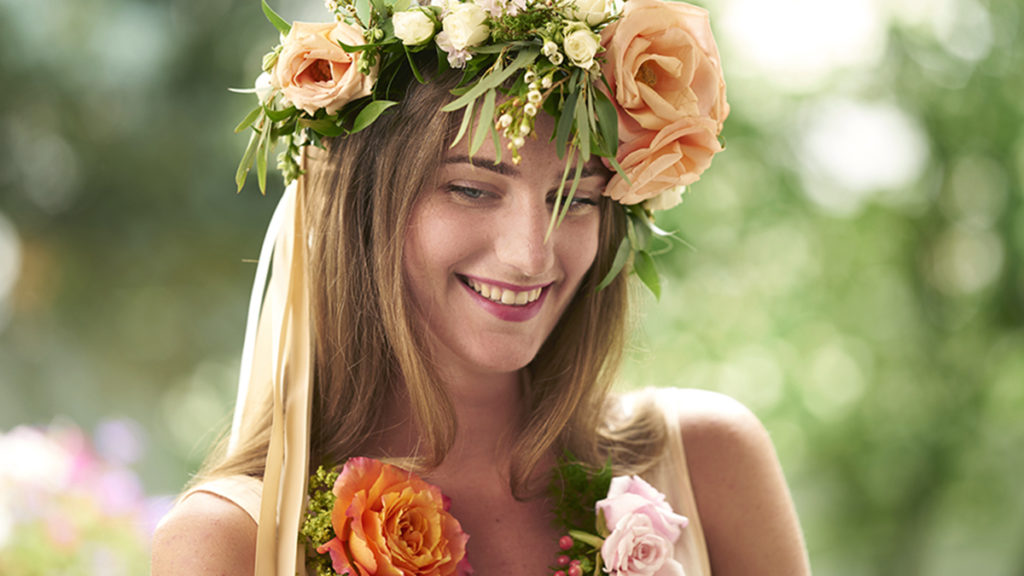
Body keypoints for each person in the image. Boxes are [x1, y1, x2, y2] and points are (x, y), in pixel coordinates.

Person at [152, 0, 811, 574]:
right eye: (471, 189)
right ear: (363, 207)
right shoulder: (231, 540)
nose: (529, 255)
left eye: (574, 200)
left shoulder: (708, 460)